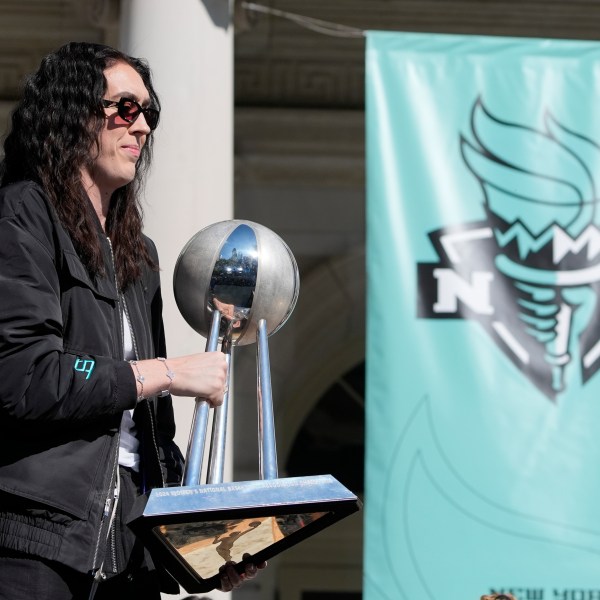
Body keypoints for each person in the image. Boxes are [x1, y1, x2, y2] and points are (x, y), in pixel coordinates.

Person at [0, 42, 263, 599]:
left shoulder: (137, 256)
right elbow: (25, 377)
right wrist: (165, 372)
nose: (141, 126)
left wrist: (203, 549)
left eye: (149, 113)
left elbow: (149, 438)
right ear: (70, 113)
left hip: (126, 562)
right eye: (124, 107)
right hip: (35, 546)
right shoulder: (22, 213)